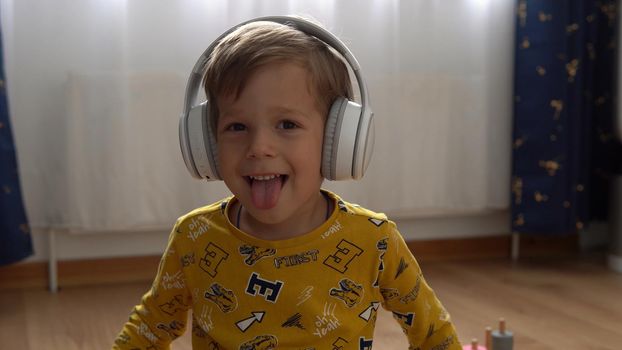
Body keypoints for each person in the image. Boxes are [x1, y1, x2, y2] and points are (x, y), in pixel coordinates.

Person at [113, 16, 461, 350]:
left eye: (287, 125)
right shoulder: (194, 237)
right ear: (206, 144)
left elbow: (434, 335)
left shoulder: (374, 240)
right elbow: (146, 332)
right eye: (237, 127)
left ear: (337, 141)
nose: (259, 148)